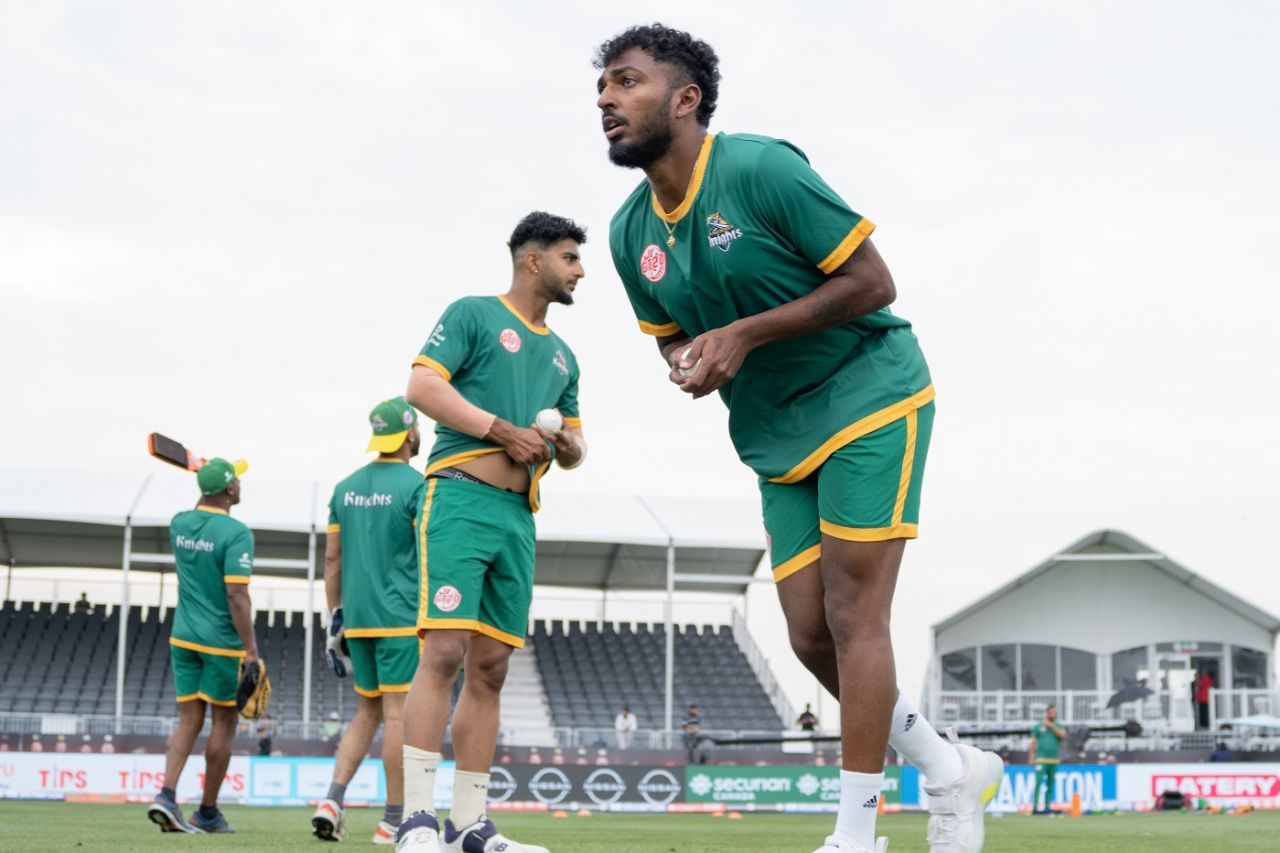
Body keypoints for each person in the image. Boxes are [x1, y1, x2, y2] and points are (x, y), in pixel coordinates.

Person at [594, 25, 1004, 853]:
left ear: (685, 99)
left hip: (869, 393)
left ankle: (857, 836)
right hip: (775, 433)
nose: (606, 99)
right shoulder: (625, 231)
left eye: (627, 82)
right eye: (601, 88)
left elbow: (874, 282)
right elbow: (671, 335)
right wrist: (691, 360)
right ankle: (948, 763)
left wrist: (742, 336)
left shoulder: (759, 168)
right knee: (810, 634)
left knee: (857, 616)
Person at [395, 212, 588, 853]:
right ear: (532, 261)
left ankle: (469, 825)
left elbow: (579, 448)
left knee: (493, 668)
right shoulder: (474, 314)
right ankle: (416, 820)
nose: (580, 271)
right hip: (459, 500)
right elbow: (421, 384)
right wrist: (500, 429)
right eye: (569, 258)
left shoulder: (565, 356)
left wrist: (561, 442)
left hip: (518, 517)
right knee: (444, 651)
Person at [311, 396, 426, 845]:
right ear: (411, 432)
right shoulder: (418, 486)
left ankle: (332, 799)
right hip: (400, 618)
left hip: (356, 619)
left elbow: (333, 560)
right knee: (397, 714)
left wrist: (335, 616)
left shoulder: (344, 489)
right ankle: (394, 817)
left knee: (368, 710)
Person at [146, 458, 258, 835]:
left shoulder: (180, 523)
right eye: (236, 480)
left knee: (188, 721)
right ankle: (207, 812)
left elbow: (199, 514)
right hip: (222, 643)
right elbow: (236, 593)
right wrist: (253, 650)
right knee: (223, 723)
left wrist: (208, 475)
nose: (240, 485)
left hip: (183, 636)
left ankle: (166, 795)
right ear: (228, 489)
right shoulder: (237, 532)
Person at [1028, 705, 1066, 814]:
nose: (1053, 714)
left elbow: (1063, 736)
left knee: (1050, 784)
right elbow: (1033, 742)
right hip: (1041, 759)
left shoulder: (1058, 726)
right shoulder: (1038, 726)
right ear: (1047, 713)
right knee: (1038, 782)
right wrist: (1031, 757)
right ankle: (1035, 807)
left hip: (1054, 760)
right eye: (1051, 713)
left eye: (1055, 713)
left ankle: (1047, 806)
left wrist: (1052, 726)